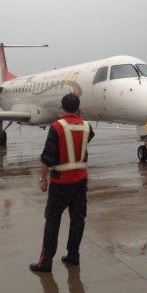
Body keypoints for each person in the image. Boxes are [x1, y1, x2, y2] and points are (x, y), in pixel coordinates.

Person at [30, 93, 95, 273]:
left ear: (62, 108)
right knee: (78, 219)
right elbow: (86, 137)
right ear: (78, 108)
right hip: (80, 180)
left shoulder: (57, 127)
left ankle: (45, 262)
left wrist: (43, 180)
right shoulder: (86, 126)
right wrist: (79, 117)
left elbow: (47, 157)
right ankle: (73, 255)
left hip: (60, 181)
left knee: (52, 220)